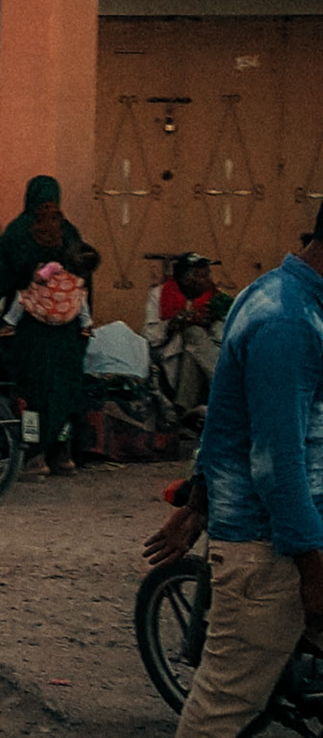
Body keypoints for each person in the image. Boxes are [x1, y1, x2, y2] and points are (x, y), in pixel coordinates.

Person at [143, 203, 323, 738]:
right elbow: (276, 462)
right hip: (273, 552)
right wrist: (313, 570)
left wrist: (198, 505)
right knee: (221, 712)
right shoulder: (289, 321)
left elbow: (225, 422)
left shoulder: (269, 292)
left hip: (283, 539)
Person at [0, 175, 85, 384]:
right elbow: (83, 280)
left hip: (25, 329)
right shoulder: (70, 233)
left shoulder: (18, 231)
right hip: (65, 330)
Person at [149, 253, 233, 412]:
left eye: (207, 274)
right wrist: (173, 324)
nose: (208, 280)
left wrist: (209, 323)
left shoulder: (217, 299)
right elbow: (151, 337)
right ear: (185, 279)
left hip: (205, 357)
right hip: (170, 355)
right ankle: (226, 387)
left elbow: (223, 338)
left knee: (194, 338)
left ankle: (183, 407)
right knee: (192, 336)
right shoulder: (160, 295)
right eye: (201, 276)